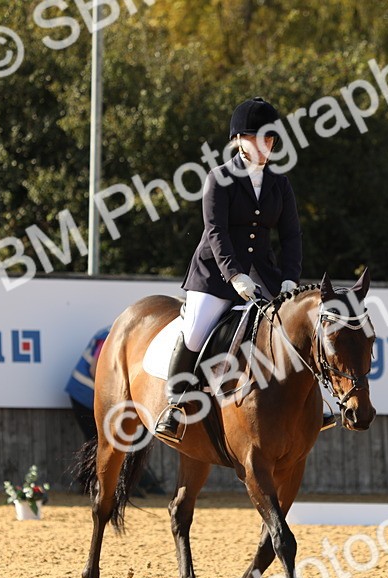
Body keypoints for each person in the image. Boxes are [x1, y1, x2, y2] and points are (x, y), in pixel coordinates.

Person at [153, 97, 305, 442]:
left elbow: (292, 235)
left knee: (292, 331)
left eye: (270, 139)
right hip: (214, 276)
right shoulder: (218, 179)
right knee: (195, 330)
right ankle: (174, 406)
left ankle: (313, 405)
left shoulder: (279, 183)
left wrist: (288, 278)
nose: (266, 145)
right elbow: (216, 233)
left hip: (265, 276)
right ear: (239, 140)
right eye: (259, 138)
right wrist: (235, 276)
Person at [66, 326, 164, 496]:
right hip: (85, 395)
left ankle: (92, 484)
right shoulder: (113, 336)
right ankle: (100, 485)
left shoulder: (121, 332)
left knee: (105, 441)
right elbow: (95, 370)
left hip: (96, 396)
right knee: (100, 441)